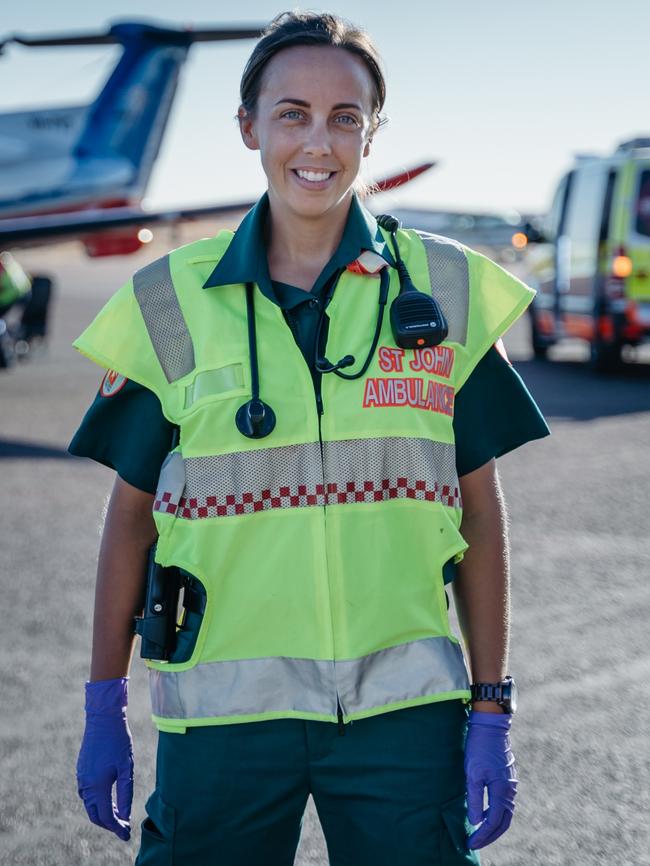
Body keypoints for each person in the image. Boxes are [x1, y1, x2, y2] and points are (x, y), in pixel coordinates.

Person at [71, 11, 550, 866]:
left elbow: (480, 509)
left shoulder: (449, 290)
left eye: (344, 117)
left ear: (373, 132)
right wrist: (103, 702)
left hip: (404, 727)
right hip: (224, 728)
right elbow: (130, 517)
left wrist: (491, 707)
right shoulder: (167, 301)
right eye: (291, 113)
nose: (317, 143)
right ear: (249, 126)